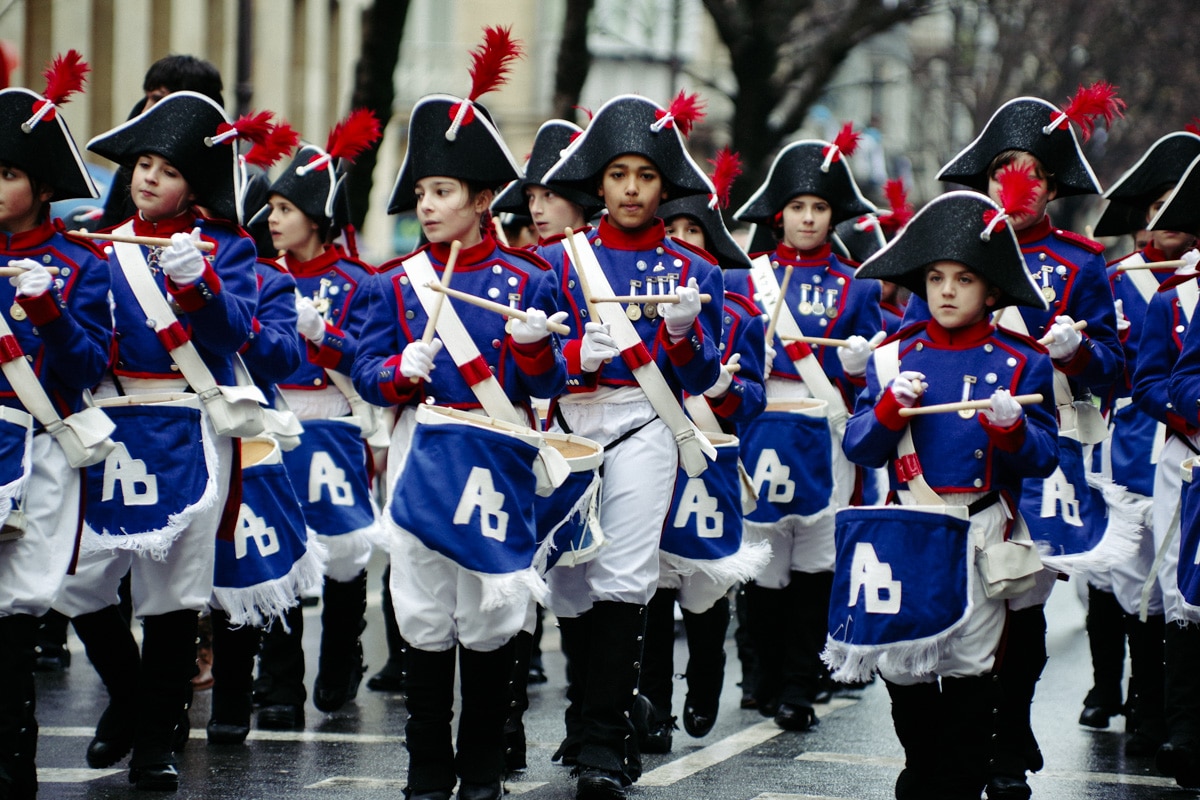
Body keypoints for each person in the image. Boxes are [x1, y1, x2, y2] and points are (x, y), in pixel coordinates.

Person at [352, 26, 567, 800]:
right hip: (421, 450)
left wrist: (537, 347)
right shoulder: (394, 282)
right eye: (421, 193)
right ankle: (424, 769)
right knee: (419, 606)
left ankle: (480, 769)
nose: (429, 205)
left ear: (481, 201)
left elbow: (549, 387)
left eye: (443, 193)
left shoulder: (529, 276)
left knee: (492, 609)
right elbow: (366, 370)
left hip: (498, 454)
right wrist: (397, 373)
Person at [51, 90, 260, 792]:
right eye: (143, 163)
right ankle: (137, 700)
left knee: (174, 589)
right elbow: (79, 345)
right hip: (114, 419)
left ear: (193, 186)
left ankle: (154, 743)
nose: (149, 178)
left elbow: (237, 336)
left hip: (190, 418)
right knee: (78, 579)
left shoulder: (229, 246)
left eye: (168, 170)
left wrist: (199, 286)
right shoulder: (97, 242)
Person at [932, 87, 1125, 800]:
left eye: (1032, 172)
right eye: (1003, 168)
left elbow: (1114, 364)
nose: (1016, 183)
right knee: (967, 593)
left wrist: (1076, 349)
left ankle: (1009, 731)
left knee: (1024, 597)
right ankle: (970, 734)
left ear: (1051, 186)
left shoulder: (1079, 262)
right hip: (960, 445)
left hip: (1048, 443)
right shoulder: (955, 254)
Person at [836, 188, 1058, 800]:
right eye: (935, 277)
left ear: (991, 289)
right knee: (902, 666)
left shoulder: (1022, 361)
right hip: (908, 531)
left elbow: (1044, 458)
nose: (948, 290)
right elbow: (860, 448)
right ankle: (924, 767)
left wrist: (1013, 428)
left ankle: (954, 783)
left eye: (965, 278)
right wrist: (887, 408)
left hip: (982, 531)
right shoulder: (890, 359)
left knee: (970, 670)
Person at [536, 90, 724, 800]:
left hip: (649, 421)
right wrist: (571, 358)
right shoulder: (559, 262)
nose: (632, 189)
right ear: (600, 182)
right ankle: (607, 712)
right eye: (618, 175)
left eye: (645, 176)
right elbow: (525, 366)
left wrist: (682, 333)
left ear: (664, 183)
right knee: (567, 580)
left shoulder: (697, 271)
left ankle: (600, 745)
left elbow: (705, 376)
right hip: (572, 422)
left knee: (622, 573)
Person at [730, 127, 883, 732]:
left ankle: (799, 683)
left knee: (816, 565)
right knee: (763, 562)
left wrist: (856, 367)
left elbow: (873, 370)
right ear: (779, 213)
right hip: (762, 422)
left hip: (827, 427)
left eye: (820, 207)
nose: (809, 218)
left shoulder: (859, 283)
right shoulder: (748, 277)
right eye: (798, 207)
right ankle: (764, 677)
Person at [245, 110, 384, 729]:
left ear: (318, 217)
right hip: (274, 419)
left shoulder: (359, 281)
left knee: (345, 549)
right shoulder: (254, 275)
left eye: (284, 208)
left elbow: (368, 359)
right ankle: (278, 683)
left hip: (334, 421)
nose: (271, 219)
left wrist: (322, 336)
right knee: (280, 548)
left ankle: (340, 657)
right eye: (270, 207)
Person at [0, 51, 112, 800]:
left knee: (14, 612)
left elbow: (84, 367)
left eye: (6, 173)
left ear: (43, 188)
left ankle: (14, 769)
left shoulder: (79, 262)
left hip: (35, 444)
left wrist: (47, 306)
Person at [636, 148, 768, 752]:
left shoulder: (739, 312)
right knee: (655, 585)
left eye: (695, 231)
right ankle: (655, 707)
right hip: (652, 451)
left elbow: (753, 398)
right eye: (677, 229)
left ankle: (708, 677)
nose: (683, 242)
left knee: (705, 586)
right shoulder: (636, 300)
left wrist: (722, 385)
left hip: (711, 460)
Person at [490, 117, 605, 773]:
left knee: (581, 582)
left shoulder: (591, 264)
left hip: (586, 435)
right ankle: (503, 725)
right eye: (530, 195)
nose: (536, 206)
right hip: (519, 432)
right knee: (514, 578)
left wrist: (575, 361)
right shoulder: (514, 266)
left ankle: (591, 717)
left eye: (550, 194)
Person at [1087, 130, 1200, 754]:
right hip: (1135, 443)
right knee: (1134, 580)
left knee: (1182, 581)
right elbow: (1126, 372)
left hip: (1183, 449)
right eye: (1157, 206)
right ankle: (1139, 701)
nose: (1167, 219)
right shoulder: (1124, 280)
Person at [1146, 151, 1200, 789]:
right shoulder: (1176, 297)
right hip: (1190, 460)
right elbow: (1155, 380)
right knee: (1185, 593)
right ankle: (1182, 727)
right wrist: (1192, 408)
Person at [85, 54, 224, 232]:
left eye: (169, 173)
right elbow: (106, 237)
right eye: (144, 164)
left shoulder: (240, 185)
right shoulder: (129, 171)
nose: (145, 109)